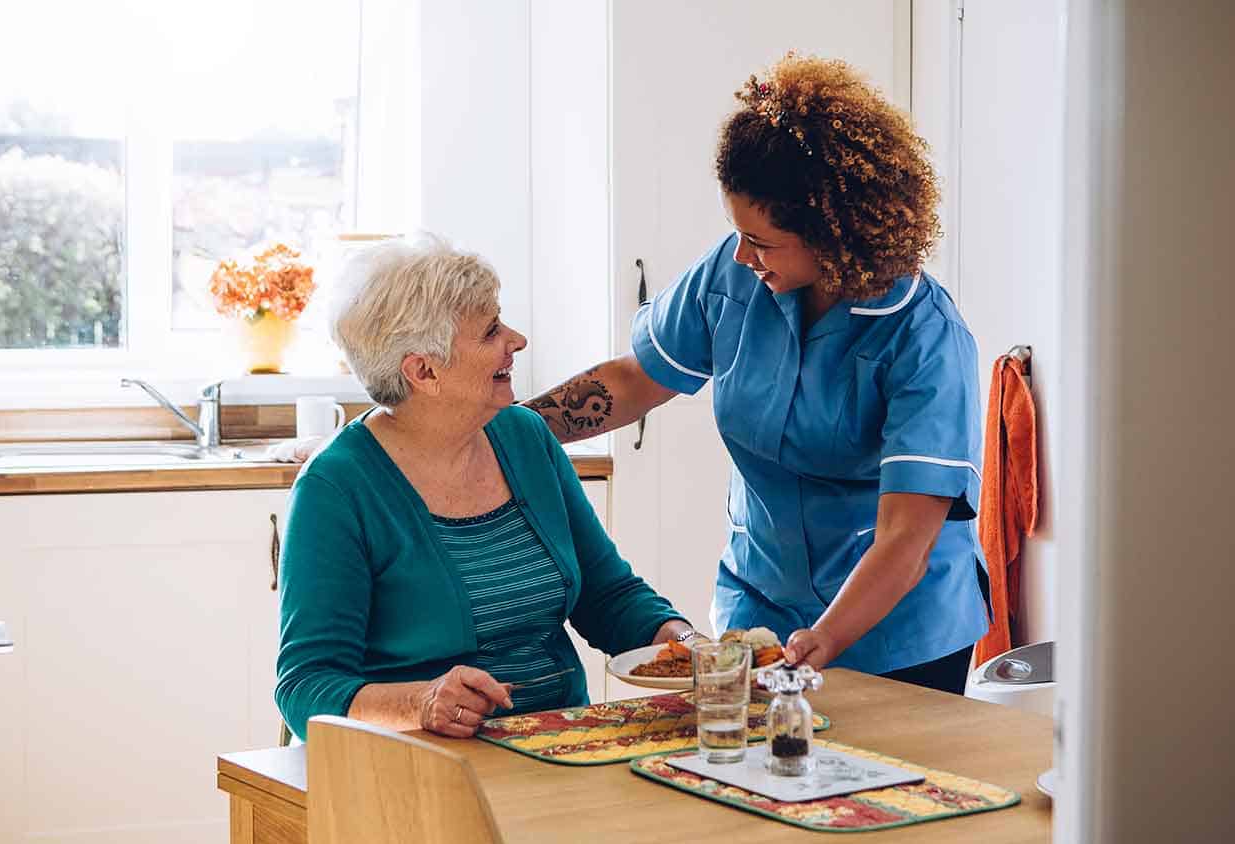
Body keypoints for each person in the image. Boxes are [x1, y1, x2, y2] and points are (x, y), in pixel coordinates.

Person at [525, 54, 988, 694]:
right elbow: (634, 380)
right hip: (760, 607)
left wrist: (824, 640)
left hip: (896, 631)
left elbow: (907, 538)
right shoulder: (734, 271)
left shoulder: (925, 337)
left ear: (833, 233)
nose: (743, 254)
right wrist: (509, 430)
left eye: (763, 241)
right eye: (737, 233)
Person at [275, 235, 695, 740]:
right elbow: (305, 685)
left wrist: (686, 644)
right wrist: (423, 702)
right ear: (423, 370)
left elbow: (607, 597)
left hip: (557, 744)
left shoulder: (524, 436)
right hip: (420, 764)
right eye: (491, 331)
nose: (516, 340)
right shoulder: (336, 487)